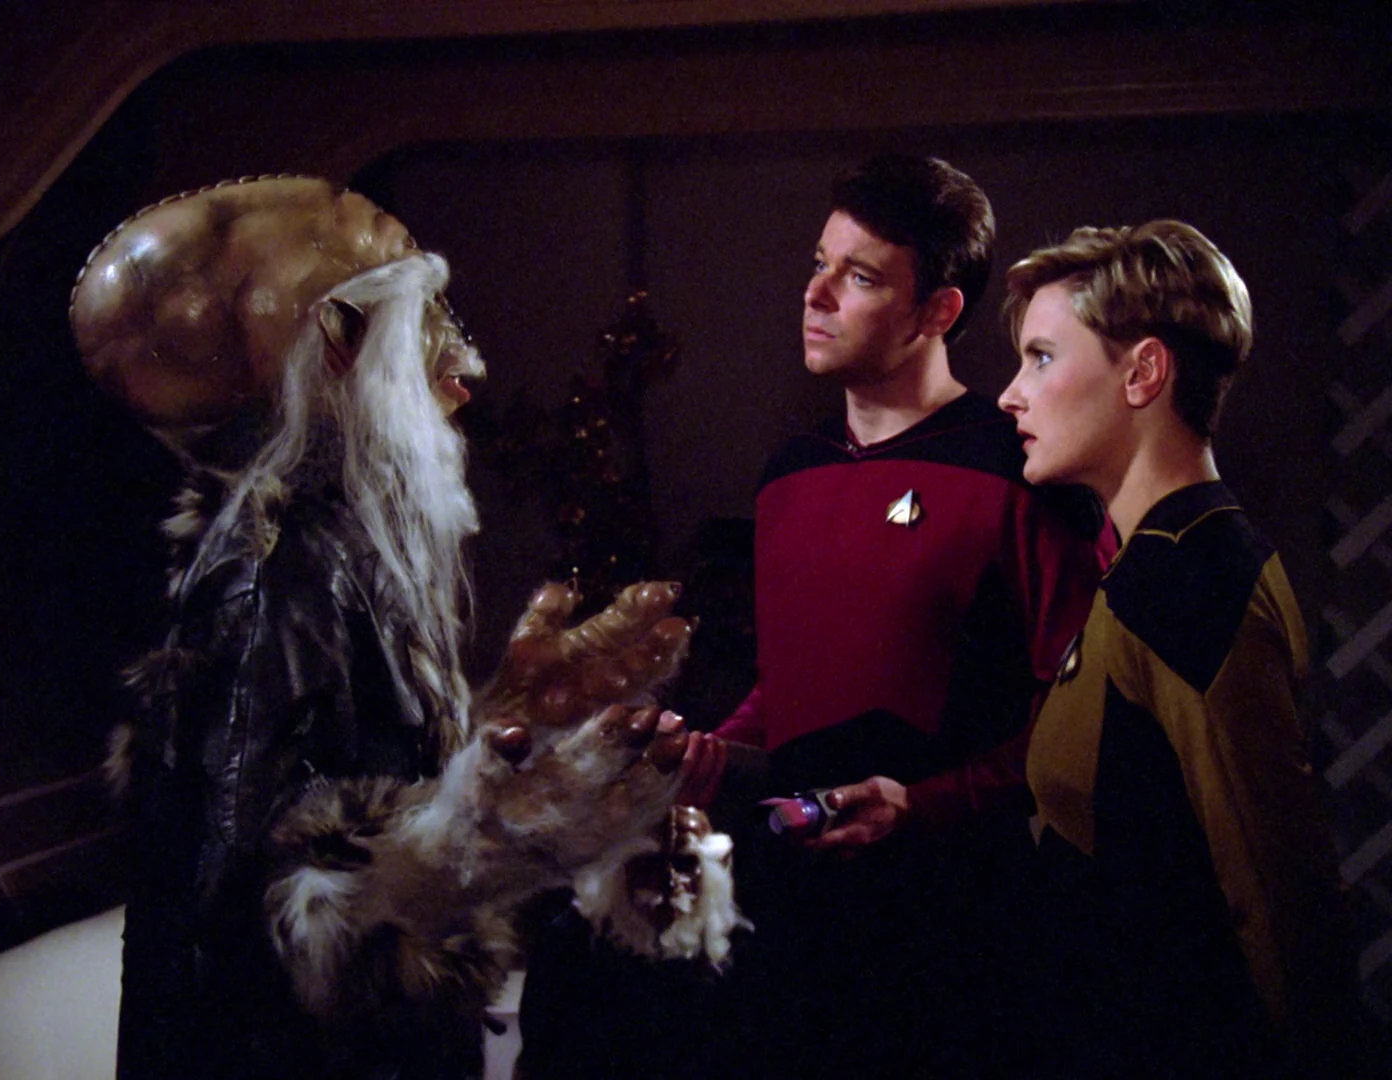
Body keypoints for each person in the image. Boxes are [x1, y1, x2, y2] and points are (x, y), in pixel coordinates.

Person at [71, 177, 733, 1080]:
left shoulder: (336, 546)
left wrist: (508, 719)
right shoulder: (277, 566)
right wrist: (482, 836)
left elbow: (346, 795)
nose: (467, 361)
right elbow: (246, 930)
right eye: (427, 313)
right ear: (340, 339)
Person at [518, 153, 1111, 1079]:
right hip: (792, 928)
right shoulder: (788, 474)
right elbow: (790, 688)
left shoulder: (1020, 470)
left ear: (938, 311)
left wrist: (929, 806)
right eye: (819, 263)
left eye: (861, 276)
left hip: (957, 935)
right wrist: (707, 750)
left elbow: (1086, 718)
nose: (817, 294)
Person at [997, 220, 1355, 1077]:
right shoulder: (1157, 561)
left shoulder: (1190, 579)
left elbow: (1274, 895)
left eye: (1041, 358)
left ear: (1144, 373)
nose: (1010, 395)